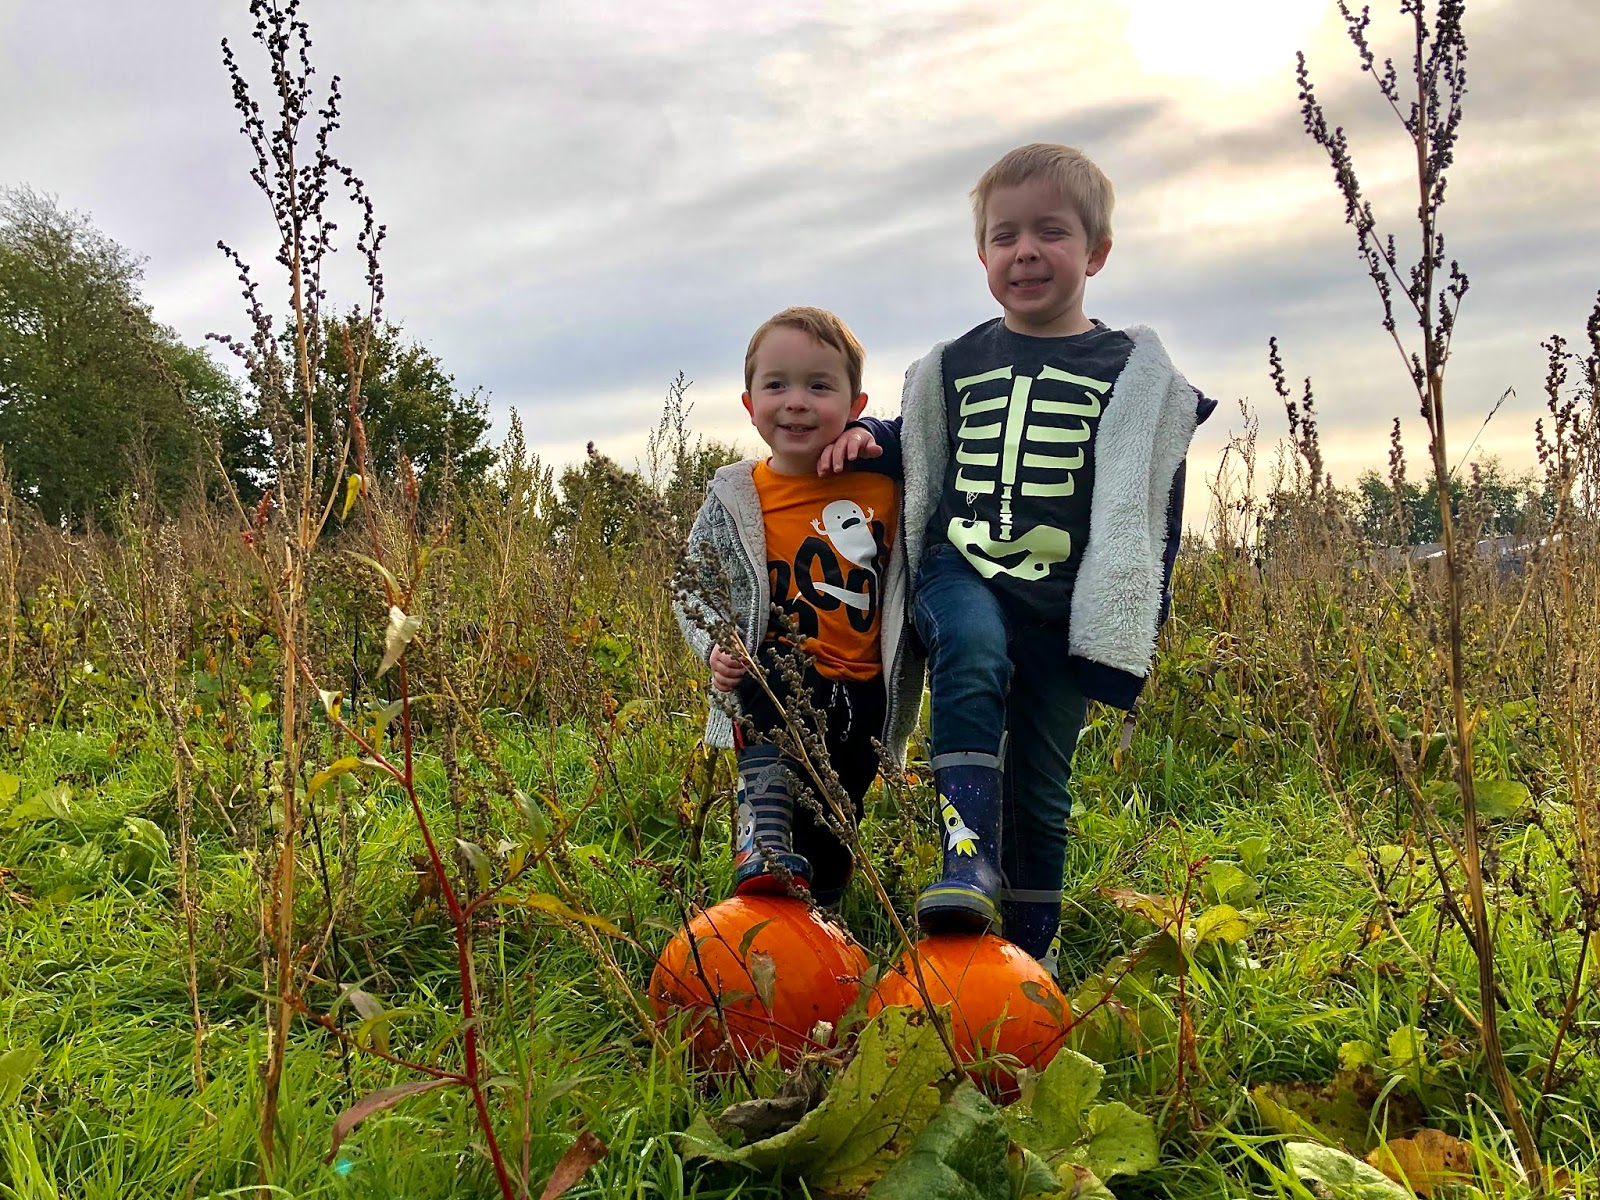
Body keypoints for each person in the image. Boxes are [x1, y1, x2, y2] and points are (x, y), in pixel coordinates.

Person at [819, 144, 1216, 970]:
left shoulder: (1125, 370)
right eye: (1005, 236)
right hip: (959, 566)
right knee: (971, 649)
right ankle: (963, 855)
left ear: (1097, 252)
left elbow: (1144, 479)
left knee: (1042, 786)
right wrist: (872, 436)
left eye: (1051, 233)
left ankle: (1024, 960)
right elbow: (922, 440)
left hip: (1065, 601)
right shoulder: (956, 364)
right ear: (983, 256)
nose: (1025, 251)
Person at [675, 307, 922, 906]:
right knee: (770, 687)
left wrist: (880, 442)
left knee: (836, 818)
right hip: (778, 669)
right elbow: (691, 584)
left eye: (819, 386)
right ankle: (758, 831)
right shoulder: (738, 493)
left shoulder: (886, 486)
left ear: (856, 405)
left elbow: (928, 442)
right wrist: (715, 645)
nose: (797, 402)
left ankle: (823, 920)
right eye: (776, 385)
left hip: (865, 688)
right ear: (749, 402)